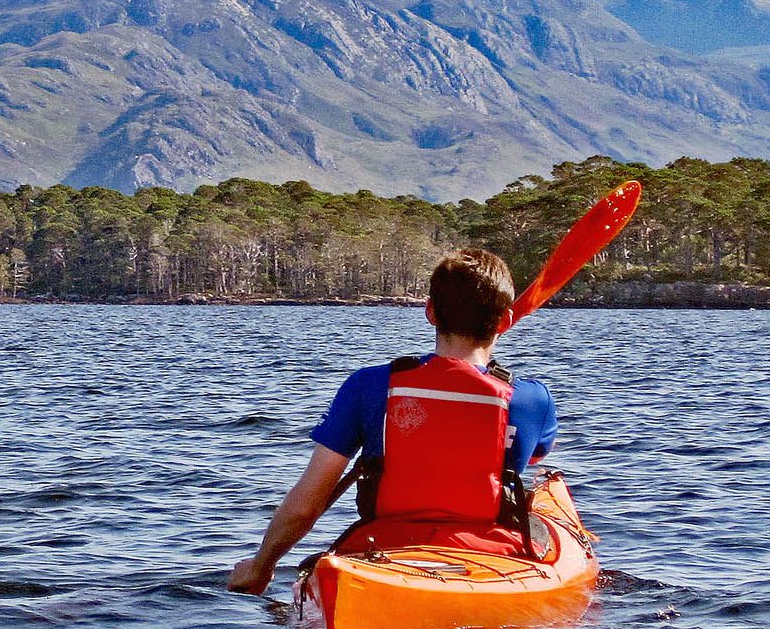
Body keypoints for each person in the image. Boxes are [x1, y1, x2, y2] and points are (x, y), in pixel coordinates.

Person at [226, 248, 559, 595]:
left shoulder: (368, 386)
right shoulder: (531, 399)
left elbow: (307, 504)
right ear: (504, 321)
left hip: (382, 547)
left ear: (430, 312)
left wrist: (260, 566)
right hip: (489, 555)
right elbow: (533, 459)